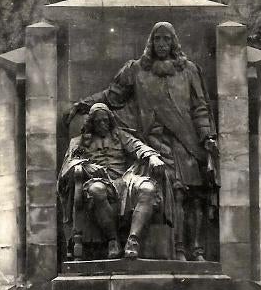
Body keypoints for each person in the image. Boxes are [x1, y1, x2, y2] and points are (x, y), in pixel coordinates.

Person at [71, 21, 218, 261]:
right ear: (151, 42)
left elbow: (200, 107)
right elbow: (112, 96)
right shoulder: (136, 70)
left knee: (194, 195)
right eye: (158, 39)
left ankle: (197, 248)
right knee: (175, 194)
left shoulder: (189, 70)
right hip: (155, 143)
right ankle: (178, 248)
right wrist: (83, 104)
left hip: (187, 142)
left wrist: (207, 137)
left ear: (174, 43)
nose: (162, 44)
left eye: (167, 39)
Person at [59, 103, 165, 260]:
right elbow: (73, 161)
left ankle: (132, 240)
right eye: (98, 122)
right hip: (101, 182)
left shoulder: (119, 136)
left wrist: (153, 157)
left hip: (125, 180)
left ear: (110, 120)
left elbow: (138, 147)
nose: (103, 124)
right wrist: (87, 165)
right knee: (95, 190)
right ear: (91, 123)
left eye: (105, 120)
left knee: (148, 188)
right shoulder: (83, 142)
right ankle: (113, 240)